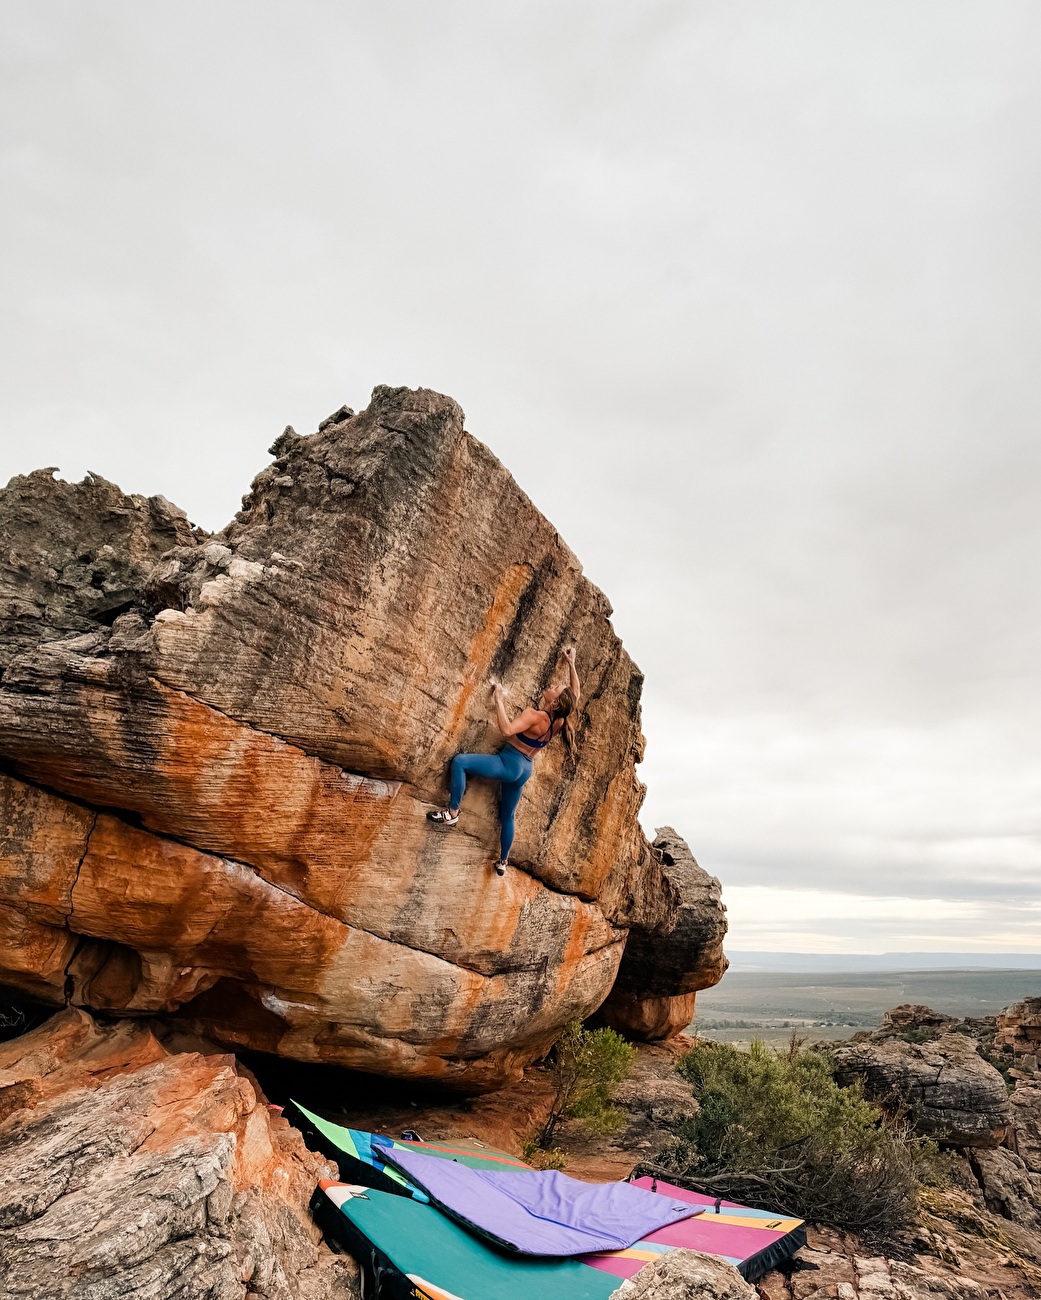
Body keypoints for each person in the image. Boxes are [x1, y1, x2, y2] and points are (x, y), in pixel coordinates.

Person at [427, 646, 581, 875]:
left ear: (554, 702)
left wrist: (499, 699)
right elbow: (575, 695)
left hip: (509, 764)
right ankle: (503, 861)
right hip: (525, 769)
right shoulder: (558, 722)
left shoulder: (534, 715)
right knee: (507, 815)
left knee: (460, 762)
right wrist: (571, 664)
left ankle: (452, 812)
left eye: (555, 689)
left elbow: (508, 730)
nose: (551, 686)